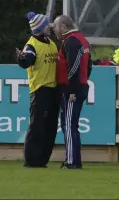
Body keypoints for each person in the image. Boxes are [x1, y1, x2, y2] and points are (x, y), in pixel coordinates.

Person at [16, 12, 59, 168]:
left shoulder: (51, 43)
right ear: (40, 27)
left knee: (50, 127)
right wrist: (22, 58)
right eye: (47, 25)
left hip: (54, 90)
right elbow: (27, 59)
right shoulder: (32, 44)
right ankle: (31, 160)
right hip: (40, 90)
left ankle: (42, 160)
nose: (50, 27)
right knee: (37, 126)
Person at [53, 15, 92, 169]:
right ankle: (75, 160)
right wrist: (82, 82)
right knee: (72, 125)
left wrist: (72, 90)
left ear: (63, 26)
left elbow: (73, 68)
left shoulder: (71, 41)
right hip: (79, 86)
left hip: (71, 89)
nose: (54, 30)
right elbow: (88, 66)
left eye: (56, 26)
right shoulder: (82, 39)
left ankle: (71, 162)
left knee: (68, 125)